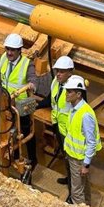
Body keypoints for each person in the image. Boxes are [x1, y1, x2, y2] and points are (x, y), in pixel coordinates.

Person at [0, 33, 38, 166]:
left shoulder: (27, 64)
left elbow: (33, 78)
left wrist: (32, 85)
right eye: (7, 49)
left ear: (19, 50)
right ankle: (14, 155)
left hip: (21, 107)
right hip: (6, 104)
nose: (9, 53)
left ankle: (33, 159)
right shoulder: (3, 58)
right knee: (11, 132)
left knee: (27, 132)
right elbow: (2, 77)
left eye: (12, 50)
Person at [62, 74, 102, 206]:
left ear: (78, 94)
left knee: (76, 190)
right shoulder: (75, 108)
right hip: (73, 155)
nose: (66, 94)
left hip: (79, 159)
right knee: (83, 186)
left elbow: (91, 142)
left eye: (69, 91)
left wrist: (85, 164)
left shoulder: (85, 114)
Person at [37, 56, 75, 185]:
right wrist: (36, 106)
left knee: (73, 158)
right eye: (57, 70)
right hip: (58, 126)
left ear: (70, 72)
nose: (58, 73)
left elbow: (81, 110)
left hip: (70, 129)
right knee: (65, 156)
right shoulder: (55, 82)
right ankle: (69, 178)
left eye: (62, 71)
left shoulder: (74, 89)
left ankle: (73, 186)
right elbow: (50, 99)